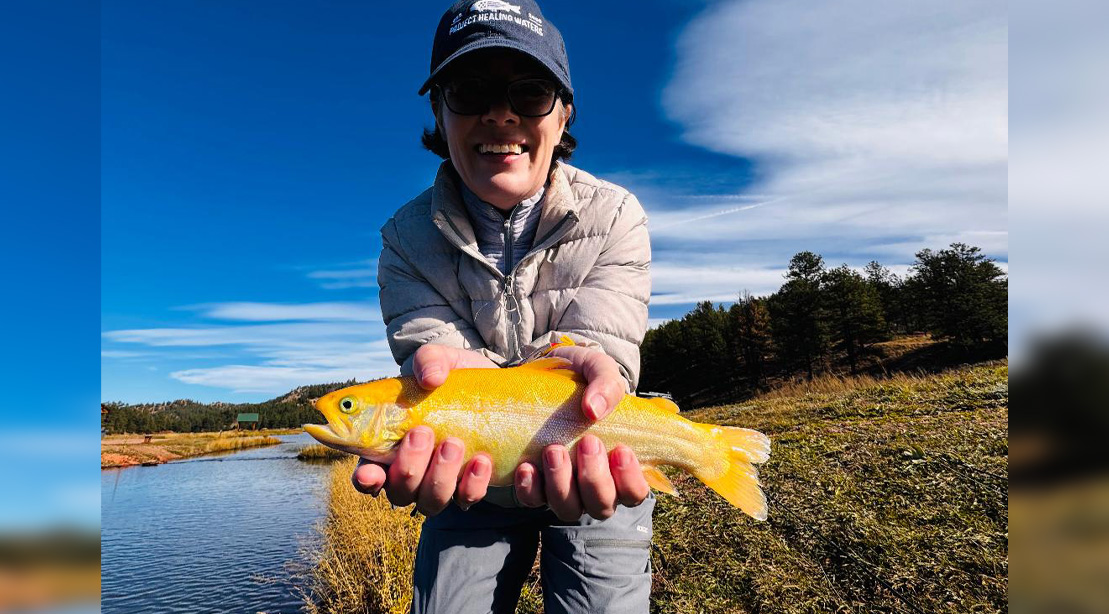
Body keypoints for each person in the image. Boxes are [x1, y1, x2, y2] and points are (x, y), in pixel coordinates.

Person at [351, 1, 654, 611]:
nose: (500, 113)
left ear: (563, 110)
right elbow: (436, 360)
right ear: (438, 110)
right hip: (470, 479)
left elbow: (600, 350)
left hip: (596, 456)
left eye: (531, 91)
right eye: (468, 90)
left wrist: (590, 364)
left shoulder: (617, 214)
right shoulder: (403, 239)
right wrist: (441, 365)